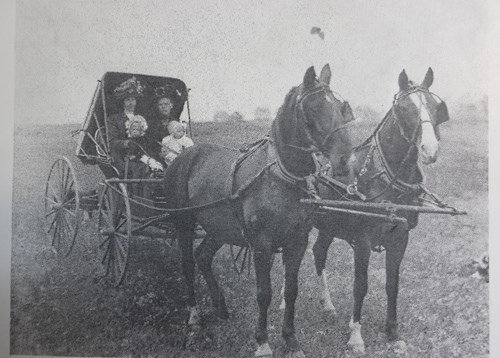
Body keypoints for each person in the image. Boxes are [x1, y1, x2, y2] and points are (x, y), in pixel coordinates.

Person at [107, 76, 162, 177]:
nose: (131, 102)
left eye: (133, 99)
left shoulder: (142, 118)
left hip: (144, 152)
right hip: (124, 156)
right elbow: (112, 142)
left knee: (161, 165)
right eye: (128, 100)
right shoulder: (114, 119)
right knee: (143, 168)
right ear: (123, 102)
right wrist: (127, 143)